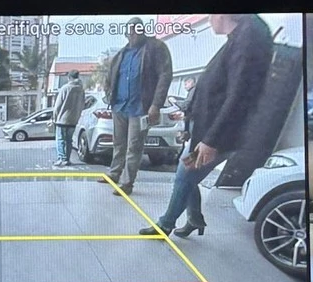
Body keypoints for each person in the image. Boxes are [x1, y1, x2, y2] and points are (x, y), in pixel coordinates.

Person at [140, 14, 274, 238]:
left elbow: (238, 96)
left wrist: (211, 140)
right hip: (204, 130)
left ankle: (166, 224)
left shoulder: (247, 39)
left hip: (216, 135)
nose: (210, 20)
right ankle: (194, 218)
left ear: (222, 14)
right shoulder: (238, 39)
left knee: (185, 175)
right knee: (188, 175)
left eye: (211, 15)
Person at [104, 17, 173, 195]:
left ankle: (127, 183)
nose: (134, 33)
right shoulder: (121, 54)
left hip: (140, 108)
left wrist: (156, 105)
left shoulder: (156, 48)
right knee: (118, 144)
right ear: (126, 34)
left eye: (137, 29)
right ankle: (114, 173)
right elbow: (109, 78)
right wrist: (109, 96)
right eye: (131, 31)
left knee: (134, 146)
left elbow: (165, 76)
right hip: (120, 106)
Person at [50, 69, 85, 166]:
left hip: (62, 119)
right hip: (73, 120)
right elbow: (83, 104)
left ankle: (62, 158)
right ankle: (67, 159)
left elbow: (58, 105)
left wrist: (54, 118)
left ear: (69, 77)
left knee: (60, 139)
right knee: (69, 140)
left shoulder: (65, 88)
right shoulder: (81, 90)